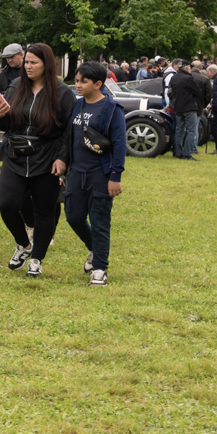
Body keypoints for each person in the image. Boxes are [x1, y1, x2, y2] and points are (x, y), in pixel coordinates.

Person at [0, 43, 75, 277]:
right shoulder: (16, 86)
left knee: (44, 211)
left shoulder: (62, 93)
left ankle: (37, 258)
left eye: (33, 62)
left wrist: (62, 158)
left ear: (47, 65)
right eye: (26, 62)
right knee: (7, 204)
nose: (27, 66)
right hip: (15, 156)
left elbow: (70, 131)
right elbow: (1, 121)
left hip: (47, 159)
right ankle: (23, 245)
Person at [62, 61, 126, 286]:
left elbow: (119, 144)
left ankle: (99, 268)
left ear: (98, 84)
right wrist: (63, 160)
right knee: (73, 216)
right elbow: (70, 138)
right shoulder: (77, 106)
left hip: (100, 173)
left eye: (83, 81)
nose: (77, 85)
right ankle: (93, 248)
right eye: (77, 80)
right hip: (76, 172)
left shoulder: (111, 109)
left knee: (99, 221)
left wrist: (115, 176)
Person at [163, 58, 202, 159]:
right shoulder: (188, 78)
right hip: (189, 106)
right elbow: (198, 91)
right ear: (187, 67)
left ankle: (178, 152)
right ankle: (187, 153)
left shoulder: (174, 77)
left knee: (179, 130)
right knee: (191, 130)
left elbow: (170, 92)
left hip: (177, 107)